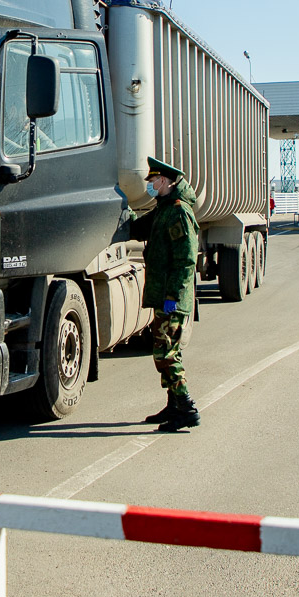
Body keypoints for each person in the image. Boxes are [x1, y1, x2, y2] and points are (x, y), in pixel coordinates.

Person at [128, 156, 201, 432]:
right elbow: (137, 228)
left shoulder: (179, 212)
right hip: (163, 296)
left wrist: (173, 297)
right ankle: (173, 404)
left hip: (172, 299)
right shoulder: (163, 209)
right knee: (167, 350)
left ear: (166, 181)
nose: (150, 185)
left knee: (165, 353)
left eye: (153, 180)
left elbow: (186, 261)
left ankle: (186, 407)